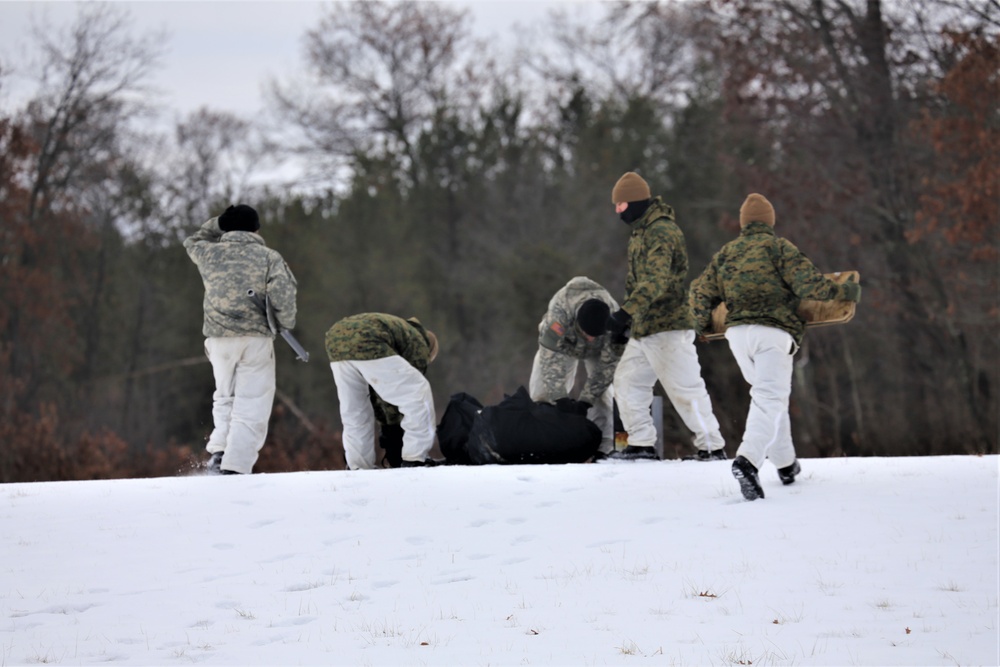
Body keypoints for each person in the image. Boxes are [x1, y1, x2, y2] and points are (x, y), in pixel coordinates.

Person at [689, 193, 861, 501]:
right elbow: (809, 283)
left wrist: (702, 325)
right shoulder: (779, 247)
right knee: (769, 398)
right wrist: (842, 291)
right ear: (770, 222)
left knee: (770, 398)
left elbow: (699, 292)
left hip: (738, 336)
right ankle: (748, 462)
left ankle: (784, 464)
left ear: (743, 223)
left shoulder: (726, 254)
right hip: (773, 333)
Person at [606, 171, 726, 461]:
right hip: (645, 328)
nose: (618, 211)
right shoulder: (641, 231)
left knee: (685, 389)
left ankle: (712, 447)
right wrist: (630, 322)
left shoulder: (661, 231)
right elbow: (638, 284)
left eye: (620, 205)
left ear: (634, 202)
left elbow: (656, 281)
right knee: (626, 382)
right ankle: (641, 443)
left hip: (668, 327)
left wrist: (625, 313)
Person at [184, 204, 298, 475]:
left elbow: (192, 240)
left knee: (225, 397)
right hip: (255, 339)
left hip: (218, 340)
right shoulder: (269, 257)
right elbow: (284, 295)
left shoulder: (208, 253)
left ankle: (219, 453)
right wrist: (283, 324)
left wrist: (217, 223)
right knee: (252, 402)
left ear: (225, 227)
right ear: (256, 228)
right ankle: (236, 468)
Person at [325, 313, 440, 470]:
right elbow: (401, 397)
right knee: (418, 391)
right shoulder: (419, 344)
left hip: (336, 339)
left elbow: (379, 392)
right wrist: (391, 428)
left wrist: (386, 423)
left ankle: (358, 464)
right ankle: (416, 457)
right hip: (368, 339)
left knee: (356, 409)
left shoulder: (401, 330)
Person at [528, 276, 624, 457]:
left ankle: (603, 447)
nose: (591, 339)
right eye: (588, 334)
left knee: (604, 397)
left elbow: (607, 366)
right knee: (543, 393)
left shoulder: (614, 320)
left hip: (598, 351)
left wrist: (586, 400)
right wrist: (560, 397)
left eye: (595, 336)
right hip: (563, 345)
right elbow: (550, 358)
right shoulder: (559, 314)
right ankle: (544, 442)